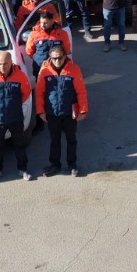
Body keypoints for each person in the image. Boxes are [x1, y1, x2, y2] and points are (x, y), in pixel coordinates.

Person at [35, 45, 88, 177]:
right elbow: (39, 92)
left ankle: (72, 164)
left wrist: (83, 109)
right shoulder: (44, 71)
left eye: (59, 58)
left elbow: (81, 91)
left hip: (69, 113)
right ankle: (55, 165)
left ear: (65, 56)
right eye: (54, 58)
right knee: (54, 140)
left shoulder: (74, 69)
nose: (57, 61)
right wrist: (40, 111)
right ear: (50, 58)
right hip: (52, 113)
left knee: (71, 139)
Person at [0, 51, 33, 182]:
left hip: (15, 118)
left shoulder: (20, 76)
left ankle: (23, 169)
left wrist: (13, 106)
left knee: (19, 145)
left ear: (11, 62)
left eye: (5, 63)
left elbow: (26, 93)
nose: (2, 66)